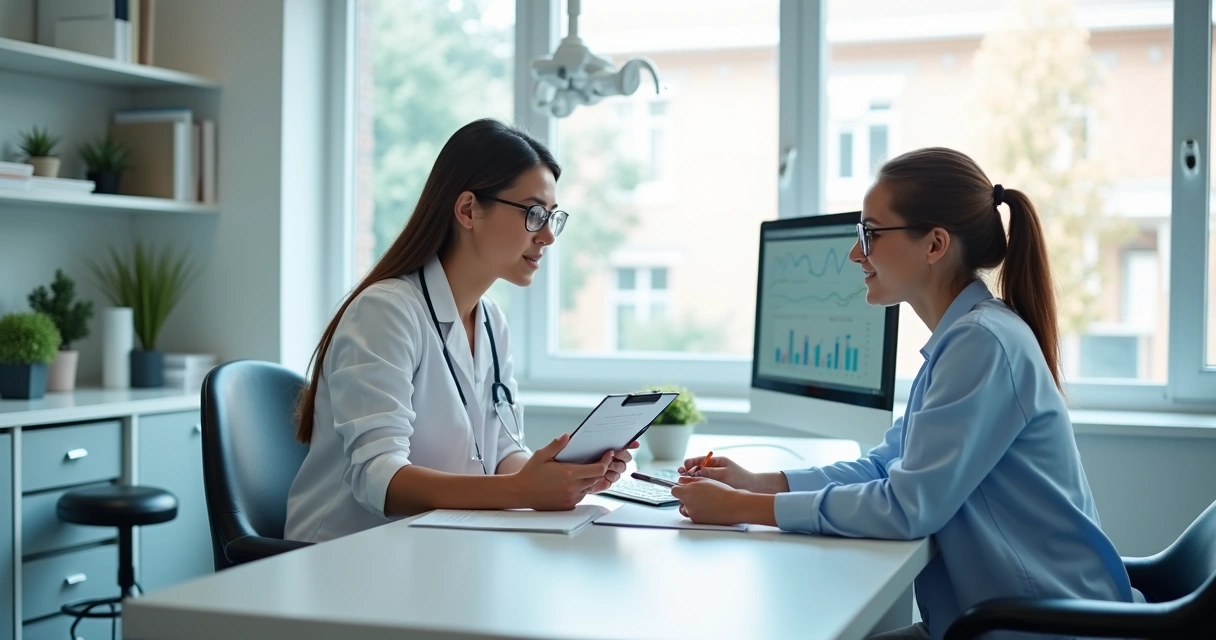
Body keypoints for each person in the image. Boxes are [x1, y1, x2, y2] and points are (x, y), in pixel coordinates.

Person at [671, 147, 1135, 639]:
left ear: (935, 244)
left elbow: (907, 507)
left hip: (1042, 627)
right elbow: (883, 467)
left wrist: (744, 509)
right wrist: (758, 482)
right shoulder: (962, 338)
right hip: (996, 618)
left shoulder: (981, 343)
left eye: (869, 234)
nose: (855, 252)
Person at [286, 119, 636, 543]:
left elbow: (503, 452)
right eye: (533, 213)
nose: (547, 236)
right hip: (344, 558)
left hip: (437, 547)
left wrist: (564, 477)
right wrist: (520, 490)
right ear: (468, 209)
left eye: (552, 217)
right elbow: (378, 478)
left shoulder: (491, 322)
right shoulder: (385, 312)